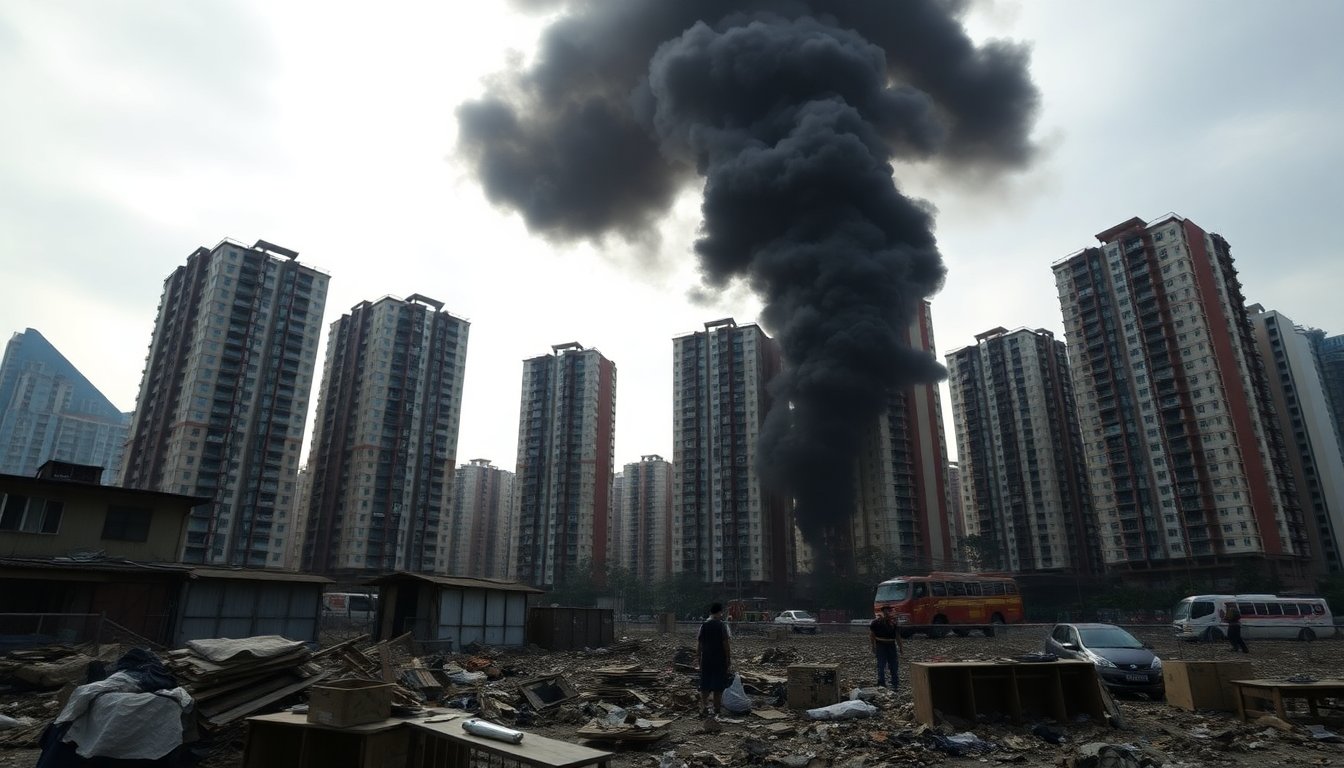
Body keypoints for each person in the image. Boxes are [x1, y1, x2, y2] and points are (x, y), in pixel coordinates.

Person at [696, 602, 733, 717]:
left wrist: (698, 657)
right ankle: (717, 708)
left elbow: (699, 643)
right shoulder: (722, 625)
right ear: (719, 612)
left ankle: (704, 707)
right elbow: (725, 643)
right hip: (719, 658)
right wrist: (728, 657)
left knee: (705, 683)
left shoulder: (704, 625)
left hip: (706, 658)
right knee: (718, 683)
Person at [869, 605, 905, 690]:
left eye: (888, 610)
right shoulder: (876, 622)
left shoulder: (893, 623)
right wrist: (873, 646)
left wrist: (901, 648)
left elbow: (897, 637)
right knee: (881, 665)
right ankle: (881, 683)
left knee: (893, 665)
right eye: (885, 611)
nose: (886, 612)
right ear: (882, 612)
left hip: (891, 645)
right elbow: (872, 635)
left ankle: (895, 683)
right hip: (880, 645)